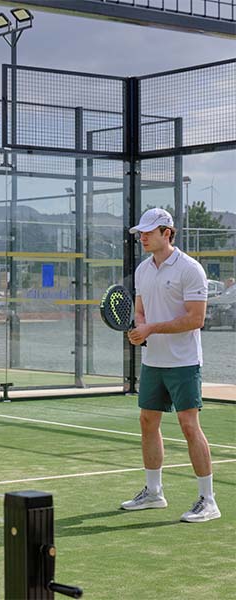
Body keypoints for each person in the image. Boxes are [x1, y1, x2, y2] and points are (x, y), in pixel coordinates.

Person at [122, 207, 220, 523]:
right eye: (141, 233)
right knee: (147, 421)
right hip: (154, 361)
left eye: (149, 232)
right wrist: (139, 328)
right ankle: (154, 493)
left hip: (184, 362)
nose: (143, 237)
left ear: (168, 232)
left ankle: (208, 500)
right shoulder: (143, 270)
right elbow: (141, 310)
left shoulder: (191, 269)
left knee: (189, 425)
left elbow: (196, 318)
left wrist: (151, 329)